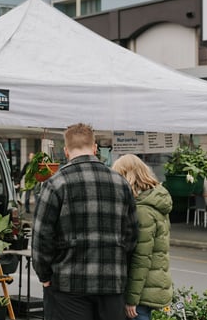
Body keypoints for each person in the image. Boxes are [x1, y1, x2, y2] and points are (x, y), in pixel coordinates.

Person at [32, 123, 138, 320]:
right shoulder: (121, 184)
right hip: (111, 284)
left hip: (68, 285)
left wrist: (44, 275)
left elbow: (41, 236)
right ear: (95, 148)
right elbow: (131, 236)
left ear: (66, 150)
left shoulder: (55, 184)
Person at [112, 154, 173, 320]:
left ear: (127, 177)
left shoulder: (142, 210)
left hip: (141, 291)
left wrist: (131, 299)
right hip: (151, 286)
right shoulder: (154, 200)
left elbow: (141, 258)